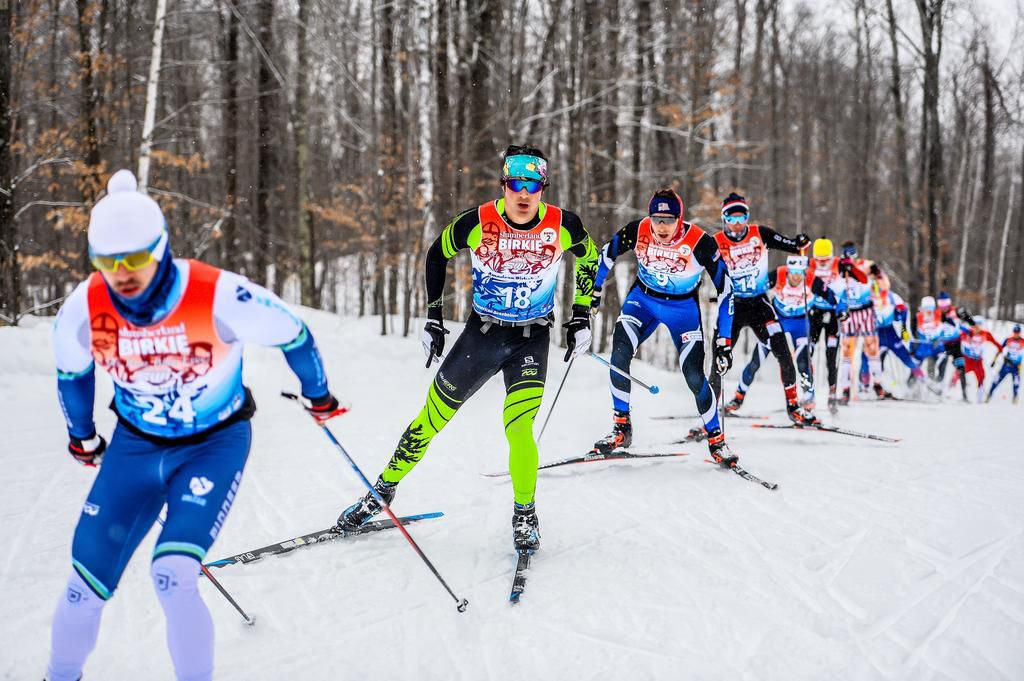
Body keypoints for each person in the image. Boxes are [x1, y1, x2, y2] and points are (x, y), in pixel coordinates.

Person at [47, 170, 343, 681]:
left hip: (213, 444)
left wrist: (318, 395)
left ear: (160, 248)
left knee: (172, 573)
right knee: (82, 587)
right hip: (136, 448)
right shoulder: (82, 309)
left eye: (136, 258)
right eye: (107, 262)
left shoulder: (217, 294)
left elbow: (293, 333)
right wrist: (83, 436)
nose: (123, 273)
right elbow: (73, 375)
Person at [335, 145, 598, 552]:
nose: (523, 194)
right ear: (504, 185)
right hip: (482, 335)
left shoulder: (564, 225)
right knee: (431, 419)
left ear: (543, 187)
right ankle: (383, 490)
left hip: (532, 339)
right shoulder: (477, 221)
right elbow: (436, 255)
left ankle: (525, 515)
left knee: (520, 429)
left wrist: (581, 315)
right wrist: (433, 318)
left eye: (533, 185)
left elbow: (590, 257)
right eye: (515, 184)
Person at [589, 188, 736, 467]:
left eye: (669, 220)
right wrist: (595, 292)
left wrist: (724, 340)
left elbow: (727, 290)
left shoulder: (699, 242)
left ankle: (716, 439)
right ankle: (621, 428)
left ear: (680, 219)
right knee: (618, 355)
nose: (662, 226)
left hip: (683, 310)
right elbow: (606, 254)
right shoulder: (639, 229)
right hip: (643, 301)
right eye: (657, 218)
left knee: (693, 375)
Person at [709, 192, 818, 425]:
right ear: (724, 218)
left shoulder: (761, 234)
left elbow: (792, 246)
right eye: (732, 218)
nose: (737, 224)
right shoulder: (715, 242)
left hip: (759, 304)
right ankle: (708, 415)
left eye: (742, 218)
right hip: (731, 308)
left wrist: (801, 243)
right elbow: (696, 266)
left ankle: (793, 406)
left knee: (783, 352)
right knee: (719, 359)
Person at [724, 255, 841, 412]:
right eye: (792, 272)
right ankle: (738, 397)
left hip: (800, 323)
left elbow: (832, 297)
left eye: (799, 273)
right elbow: (756, 288)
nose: (795, 276)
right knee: (756, 360)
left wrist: (842, 309)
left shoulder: (811, 279)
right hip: (777, 320)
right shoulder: (779, 274)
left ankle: (808, 397)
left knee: (802, 361)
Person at [833, 241, 888, 404]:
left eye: (851, 254)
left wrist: (877, 275)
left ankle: (878, 384)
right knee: (847, 352)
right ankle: (845, 389)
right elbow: (833, 285)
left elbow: (883, 284)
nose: (849, 258)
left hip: (865, 311)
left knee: (872, 348)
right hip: (850, 312)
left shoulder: (867, 265)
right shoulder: (838, 266)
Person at [858, 274, 925, 392]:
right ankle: (865, 386)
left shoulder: (892, 297)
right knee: (865, 357)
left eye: (880, 284)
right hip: (874, 333)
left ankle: (923, 382)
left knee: (906, 357)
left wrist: (902, 326)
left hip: (890, 333)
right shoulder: (867, 297)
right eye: (875, 284)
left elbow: (903, 313)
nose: (878, 287)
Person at [804, 238, 848, 412]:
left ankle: (832, 392)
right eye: (819, 259)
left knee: (831, 356)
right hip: (814, 314)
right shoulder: (809, 265)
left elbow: (844, 291)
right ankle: (808, 392)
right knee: (808, 353)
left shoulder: (839, 265)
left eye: (825, 259)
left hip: (833, 316)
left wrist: (843, 309)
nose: (822, 262)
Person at [952, 316, 1001, 402]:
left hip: (978, 361)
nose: (976, 327)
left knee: (982, 377)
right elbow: (954, 338)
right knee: (958, 373)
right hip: (967, 360)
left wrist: (1000, 349)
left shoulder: (985, 334)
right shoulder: (966, 333)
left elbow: (996, 343)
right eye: (974, 325)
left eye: (978, 325)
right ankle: (950, 390)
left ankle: (979, 398)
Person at [987, 324, 1023, 404]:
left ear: (1020, 332)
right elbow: (1000, 349)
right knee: (997, 380)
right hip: (1006, 365)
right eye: (1015, 332)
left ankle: (1015, 399)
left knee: (1016, 383)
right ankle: (989, 394)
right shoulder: (1008, 340)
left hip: (1016, 366)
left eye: (1017, 332)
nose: (1016, 333)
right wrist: (994, 361)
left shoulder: (1022, 341)